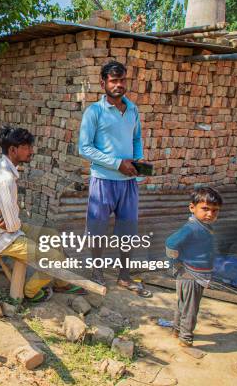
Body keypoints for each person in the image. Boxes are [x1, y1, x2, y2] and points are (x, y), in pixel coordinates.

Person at [0, 126, 83, 302]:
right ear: (13, 150)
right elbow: (11, 225)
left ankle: (60, 282)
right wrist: (12, 222)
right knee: (55, 258)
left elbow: (10, 221)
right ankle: (31, 291)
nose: (31, 151)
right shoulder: (4, 179)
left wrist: (11, 221)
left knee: (53, 236)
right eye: (26, 147)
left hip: (4, 229)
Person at [78, 60, 152, 297]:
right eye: (113, 80)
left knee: (128, 230)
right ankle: (97, 271)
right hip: (103, 181)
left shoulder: (132, 109)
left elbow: (137, 139)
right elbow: (84, 149)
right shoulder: (94, 112)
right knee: (98, 228)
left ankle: (124, 274)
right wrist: (117, 163)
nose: (118, 85)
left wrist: (137, 165)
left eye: (122, 80)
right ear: (103, 83)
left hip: (128, 183)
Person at [165, 187, 222, 347]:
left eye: (215, 211)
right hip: (191, 275)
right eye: (205, 209)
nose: (210, 214)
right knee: (190, 310)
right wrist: (175, 262)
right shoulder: (192, 228)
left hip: (193, 274)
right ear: (192, 208)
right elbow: (171, 243)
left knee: (183, 305)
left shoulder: (204, 227)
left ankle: (177, 331)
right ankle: (186, 341)